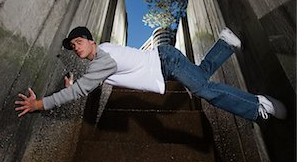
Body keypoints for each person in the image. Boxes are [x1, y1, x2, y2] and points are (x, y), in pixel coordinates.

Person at [15, 26, 287, 121]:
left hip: (164, 62)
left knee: (204, 90)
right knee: (201, 77)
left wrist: (41, 103)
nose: (76, 49)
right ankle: (226, 43)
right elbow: (93, 80)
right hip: (163, 62)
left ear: (90, 40)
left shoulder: (103, 58)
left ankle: (257, 105)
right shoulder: (102, 58)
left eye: (79, 43)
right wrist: (73, 82)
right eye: (73, 48)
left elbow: (83, 89)